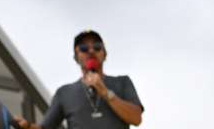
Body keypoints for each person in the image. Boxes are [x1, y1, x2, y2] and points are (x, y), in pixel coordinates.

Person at [13, 30, 143, 129]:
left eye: (97, 47)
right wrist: (27, 126)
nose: (91, 51)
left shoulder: (122, 82)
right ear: (76, 57)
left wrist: (105, 92)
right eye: (84, 48)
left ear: (105, 54)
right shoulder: (64, 93)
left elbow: (136, 118)